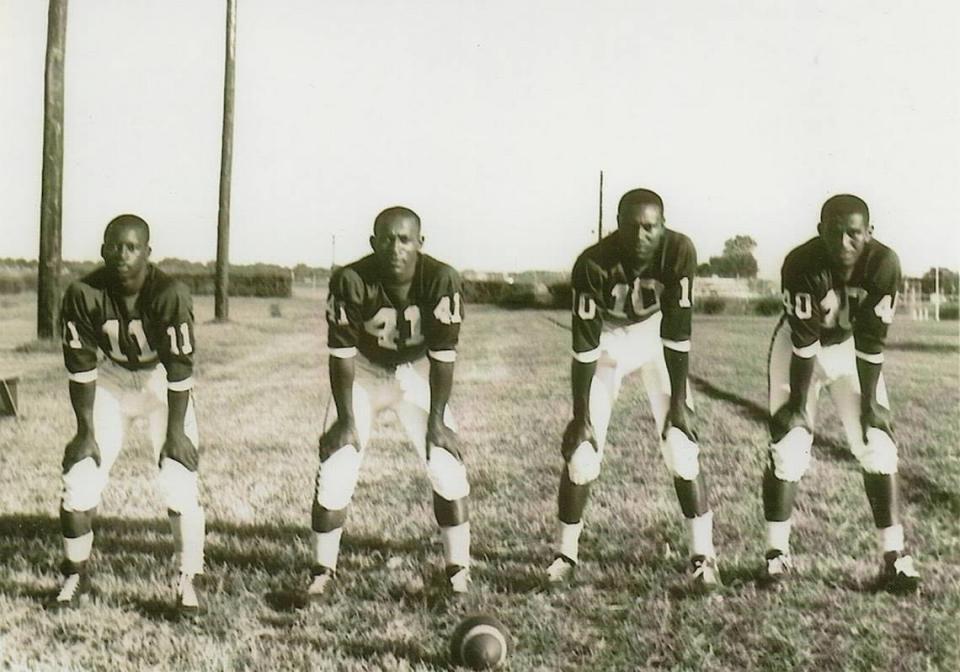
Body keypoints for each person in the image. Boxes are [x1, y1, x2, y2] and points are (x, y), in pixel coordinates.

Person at [545, 188, 721, 590]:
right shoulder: (592, 263)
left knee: (681, 444)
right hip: (607, 341)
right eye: (633, 227)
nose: (642, 236)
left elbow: (678, 334)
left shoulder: (678, 251)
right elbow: (584, 348)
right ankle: (565, 554)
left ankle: (703, 556)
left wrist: (679, 404)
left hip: (656, 338)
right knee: (582, 453)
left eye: (650, 227)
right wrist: (580, 417)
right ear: (617, 227)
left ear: (663, 226)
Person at [308, 206, 471, 598]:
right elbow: (342, 356)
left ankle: (458, 570)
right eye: (386, 238)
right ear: (373, 242)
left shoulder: (441, 277)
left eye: (404, 239)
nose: (395, 247)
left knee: (446, 465)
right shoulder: (350, 279)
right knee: (336, 466)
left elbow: (444, 356)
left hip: (415, 371)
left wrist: (437, 421)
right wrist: (345, 419)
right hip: (364, 370)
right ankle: (322, 572)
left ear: (419, 243)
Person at [762, 194, 920, 592]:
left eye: (854, 234)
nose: (845, 243)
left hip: (852, 349)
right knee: (790, 444)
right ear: (821, 233)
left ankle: (894, 556)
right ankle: (776, 553)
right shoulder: (801, 263)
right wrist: (798, 405)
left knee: (878, 442)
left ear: (869, 233)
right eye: (835, 234)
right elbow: (805, 345)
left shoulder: (884, 263)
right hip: (799, 349)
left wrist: (870, 406)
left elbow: (870, 343)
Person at [55, 214, 205, 614]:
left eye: (131, 247)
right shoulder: (84, 292)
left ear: (147, 252)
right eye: (114, 246)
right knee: (81, 474)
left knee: (179, 478)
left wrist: (176, 433)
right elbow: (82, 369)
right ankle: (75, 573)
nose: (122, 255)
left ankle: (187, 578)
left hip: (160, 379)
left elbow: (179, 370)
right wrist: (84, 431)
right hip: (113, 377)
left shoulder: (169, 293)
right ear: (103, 249)